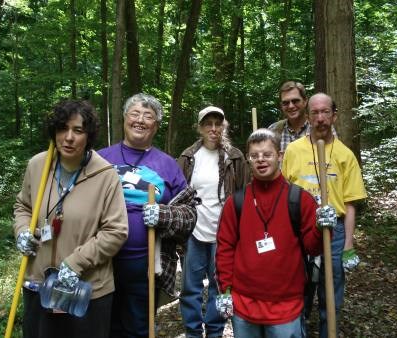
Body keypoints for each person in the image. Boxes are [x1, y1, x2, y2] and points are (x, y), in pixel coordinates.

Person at [14, 99, 129, 338]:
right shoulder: (38, 165)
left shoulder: (106, 175)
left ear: (88, 136)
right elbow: (23, 206)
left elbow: (116, 231)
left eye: (78, 130)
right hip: (39, 285)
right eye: (63, 129)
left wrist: (75, 263)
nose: (68, 137)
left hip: (87, 291)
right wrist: (22, 230)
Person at [215, 128, 336, 338]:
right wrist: (226, 289)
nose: (261, 160)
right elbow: (225, 247)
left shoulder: (299, 199)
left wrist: (322, 227)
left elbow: (313, 247)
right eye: (254, 155)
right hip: (244, 304)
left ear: (279, 156)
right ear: (248, 160)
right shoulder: (236, 202)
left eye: (267, 154)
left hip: (286, 305)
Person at [98, 93, 198, 338]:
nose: (140, 120)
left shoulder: (167, 164)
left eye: (148, 116)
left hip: (144, 264)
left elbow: (189, 213)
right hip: (99, 260)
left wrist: (163, 215)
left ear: (156, 126)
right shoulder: (99, 159)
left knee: (138, 328)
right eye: (135, 114)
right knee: (103, 327)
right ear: (124, 119)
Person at [282, 93, 367, 337]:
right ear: (308, 117)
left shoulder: (345, 155)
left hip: (335, 231)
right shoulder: (293, 151)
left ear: (334, 116)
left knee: (331, 293)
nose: (320, 118)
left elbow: (350, 204)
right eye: (315, 113)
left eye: (325, 112)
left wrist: (349, 244)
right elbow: (284, 196)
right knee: (299, 290)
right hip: (300, 229)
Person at [177, 106, 249, 338]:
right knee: (191, 289)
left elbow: (245, 194)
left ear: (224, 126)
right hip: (194, 232)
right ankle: (193, 333)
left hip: (224, 233)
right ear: (200, 127)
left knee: (220, 287)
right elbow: (179, 195)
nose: (213, 128)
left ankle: (215, 332)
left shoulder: (235, 157)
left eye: (218, 123)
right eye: (208, 123)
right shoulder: (188, 157)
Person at [268, 81, 309, 153]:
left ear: (305, 101)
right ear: (281, 105)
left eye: (295, 101)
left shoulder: (319, 128)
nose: (291, 106)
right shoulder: (273, 130)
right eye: (285, 103)